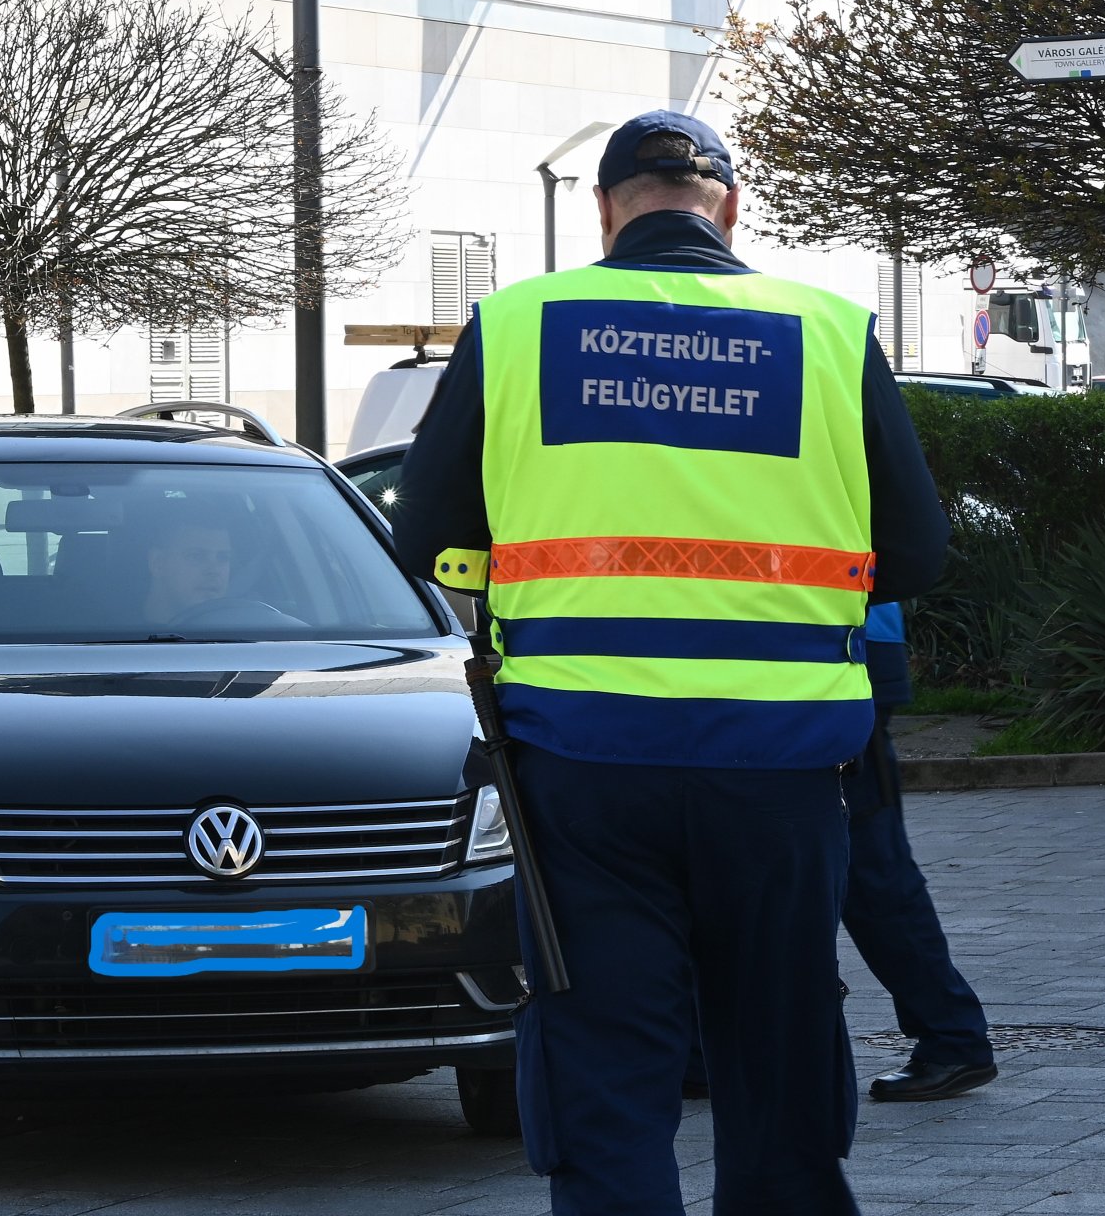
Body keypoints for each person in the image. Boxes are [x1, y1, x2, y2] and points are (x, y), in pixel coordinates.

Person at [392, 110, 949, 1216]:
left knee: (605, 1052)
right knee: (779, 1045)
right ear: (730, 207)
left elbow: (428, 536)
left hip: (582, 762)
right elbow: (918, 549)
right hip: (784, 764)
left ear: (605, 210)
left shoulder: (517, 323)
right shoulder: (827, 327)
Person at [845, 602, 998, 1101]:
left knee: (869, 868)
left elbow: (911, 546)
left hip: (828, 656)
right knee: (866, 863)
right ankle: (700, 1051)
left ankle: (953, 1037)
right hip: (816, 652)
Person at [140, 519, 234, 624]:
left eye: (223, 557)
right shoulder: (120, 630)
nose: (214, 570)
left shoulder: (243, 626)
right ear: (158, 563)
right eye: (196, 556)